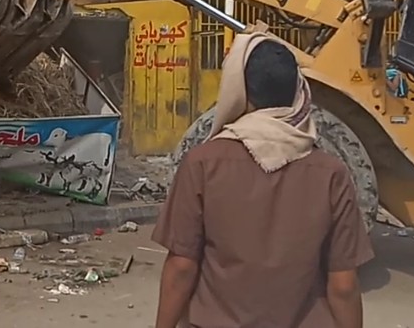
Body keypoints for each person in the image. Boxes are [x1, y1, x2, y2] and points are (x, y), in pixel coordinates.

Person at [153, 33, 374, 328]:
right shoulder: (331, 173)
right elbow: (344, 285)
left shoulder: (202, 163)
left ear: (239, 89)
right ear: (298, 90)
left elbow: (181, 268)